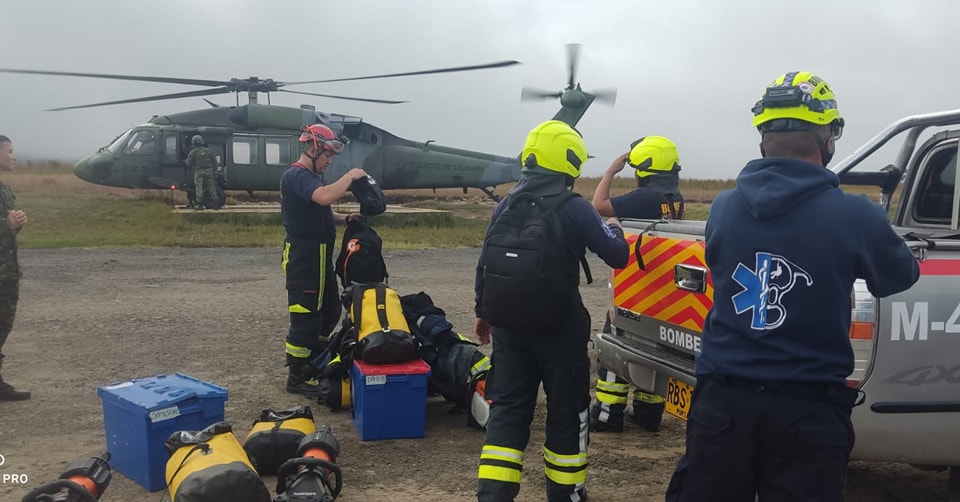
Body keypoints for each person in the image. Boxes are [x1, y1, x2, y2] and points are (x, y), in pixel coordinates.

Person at [665, 71, 920, 502]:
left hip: (722, 404)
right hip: (808, 411)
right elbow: (900, 275)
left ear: (763, 139)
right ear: (828, 139)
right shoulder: (855, 215)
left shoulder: (724, 207)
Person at [474, 120, 629, 502]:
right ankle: (566, 495)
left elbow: (485, 263)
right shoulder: (575, 208)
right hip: (560, 332)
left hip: (509, 330)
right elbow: (617, 255)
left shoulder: (506, 203)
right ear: (568, 162)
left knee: (507, 412)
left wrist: (483, 312)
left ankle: (493, 495)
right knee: (566, 415)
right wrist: (614, 227)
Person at [588, 135, 685, 433]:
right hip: (661, 290)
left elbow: (598, 205)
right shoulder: (674, 198)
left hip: (635, 288)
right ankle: (648, 411)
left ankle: (608, 414)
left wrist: (610, 171)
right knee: (654, 351)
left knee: (616, 349)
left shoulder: (646, 198)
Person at [281, 124, 366, 397]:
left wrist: (345, 219)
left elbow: (321, 212)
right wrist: (350, 176)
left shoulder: (311, 177)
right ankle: (296, 376)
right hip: (304, 258)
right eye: (327, 156)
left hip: (319, 257)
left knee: (330, 310)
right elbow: (325, 197)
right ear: (313, 149)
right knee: (306, 316)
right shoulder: (297, 175)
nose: (329, 161)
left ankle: (315, 362)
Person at [0, 135, 30, 401]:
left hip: (7, 272)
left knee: (2, 326)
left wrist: (16, 224)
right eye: (9, 151)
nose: (14, 156)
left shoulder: (4, 189)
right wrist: (6, 225)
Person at [185, 135, 219, 210]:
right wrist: (215, 170)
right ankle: (215, 203)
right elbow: (215, 162)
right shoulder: (209, 151)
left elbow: (188, 163)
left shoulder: (193, 152)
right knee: (211, 187)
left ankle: (199, 204)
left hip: (198, 172)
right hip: (209, 171)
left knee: (199, 187)